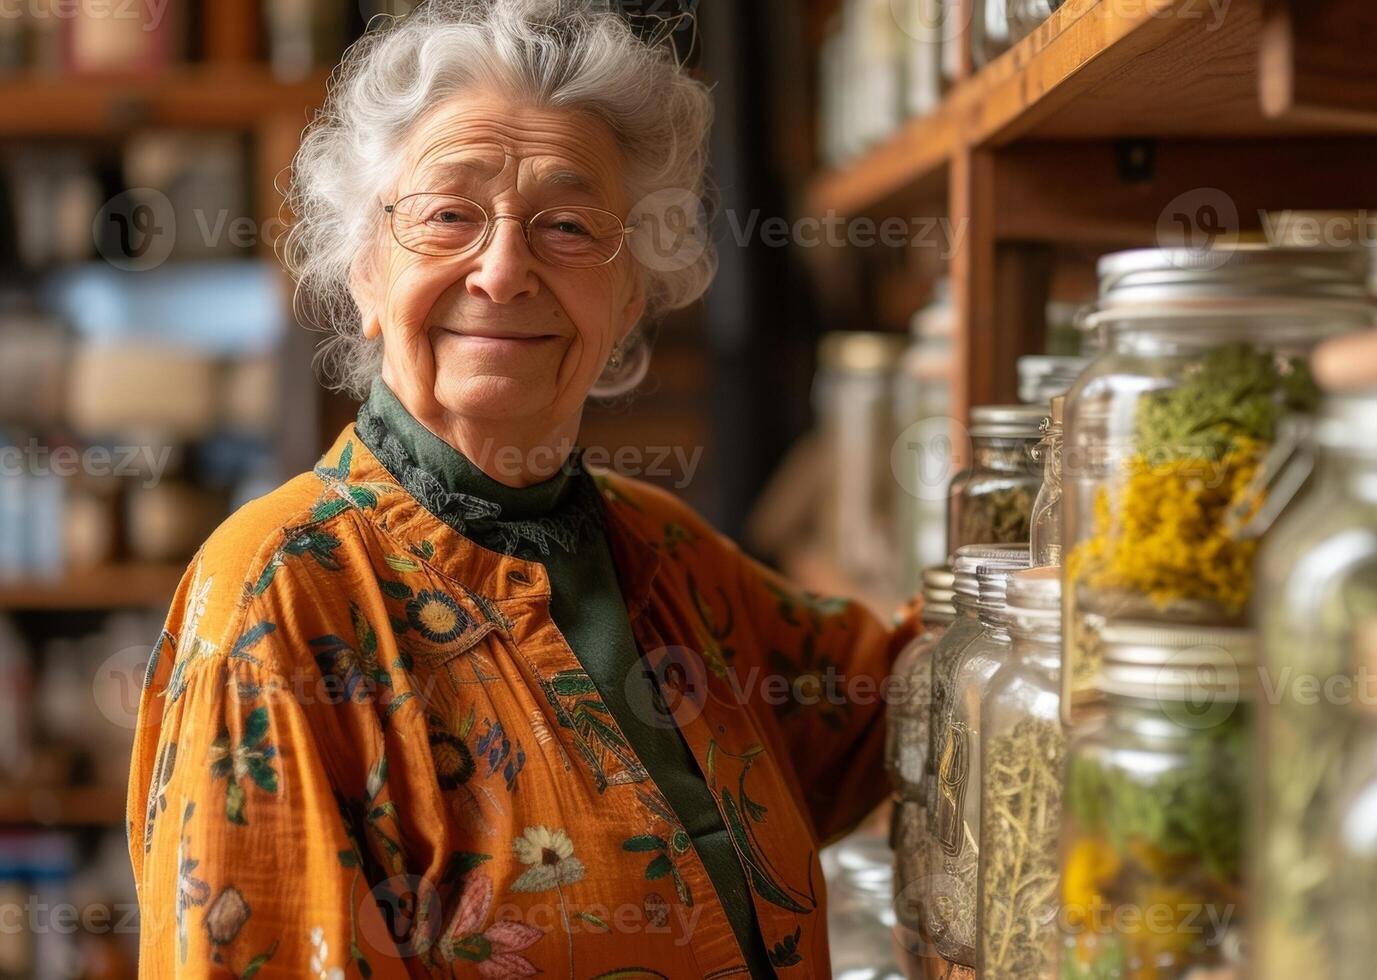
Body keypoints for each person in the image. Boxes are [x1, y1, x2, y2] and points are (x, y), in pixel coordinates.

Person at [124, 2, 916, 976]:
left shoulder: (658, 550)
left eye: (569, 225)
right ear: (366, 271)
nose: (503, 270)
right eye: (449, 215)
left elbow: (899, 702)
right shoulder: (276, 597)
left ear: (628, 296)